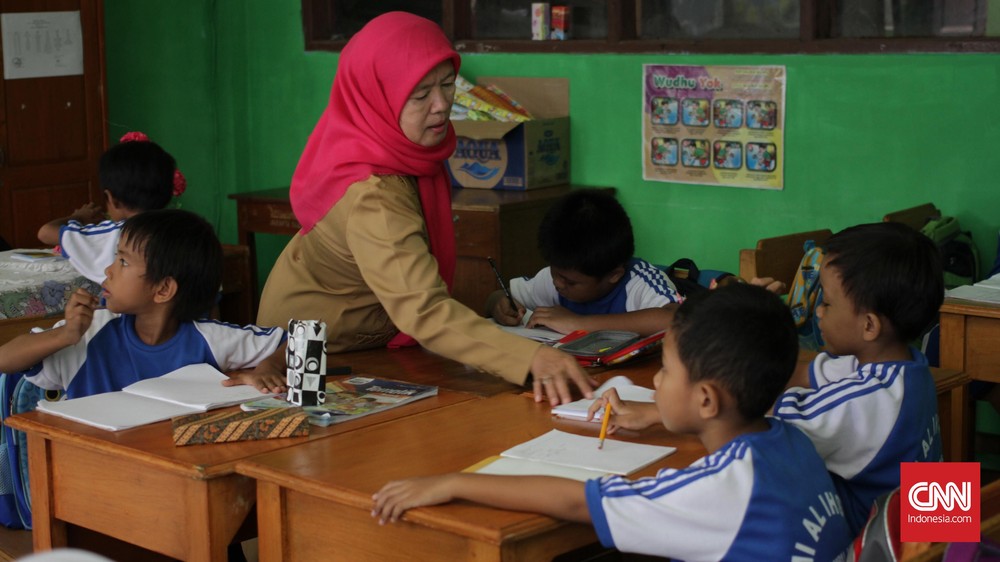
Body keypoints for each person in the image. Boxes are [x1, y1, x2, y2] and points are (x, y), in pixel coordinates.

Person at [255, 11, 594, 406]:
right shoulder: (374, 194)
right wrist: (532, 357)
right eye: (419, 95)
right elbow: (423, 310)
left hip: (369, 336)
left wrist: (484, 303)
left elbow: (410, 272)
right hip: (317, 353)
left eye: (448, 85)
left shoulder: (400, 151)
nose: (440, 105)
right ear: (376, 97)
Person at [372, 284, 853, 560]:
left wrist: (454, 482)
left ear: (707, 399)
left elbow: (578, 501)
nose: (657, 381)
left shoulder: (721, 488)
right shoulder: (792, 439)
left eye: (664, 370)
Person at [0, 209, 286, 399]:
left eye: (123, 261)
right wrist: (64, 334)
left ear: (163, 289)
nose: (108, 271)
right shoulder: (89, 334)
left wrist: (268, 366)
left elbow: (303, 341)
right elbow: (5, 360)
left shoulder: (210, 339)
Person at [772, 221, 944, 535]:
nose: (818, 312)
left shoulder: (866, 401)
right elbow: (800, 372)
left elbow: (763, 426)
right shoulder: (908, 368)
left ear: (869, 326)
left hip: (872, 549)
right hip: (924, 537)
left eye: (826, 302)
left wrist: (740, 331)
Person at [488, 189, 681, 336]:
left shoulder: (639, 283)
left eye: (570, 282)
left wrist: (579, 324)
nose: (557, 283)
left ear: (614, 274)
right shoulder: (556, 279)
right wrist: (501, 305)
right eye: (556, 273)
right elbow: (497, 296)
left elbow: (676, 320)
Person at [37, 131, 185, 284]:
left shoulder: (113, 235)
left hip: (122, 309)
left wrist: (79, 217)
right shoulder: (184, 231)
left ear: (112, 199)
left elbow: (45, 232)